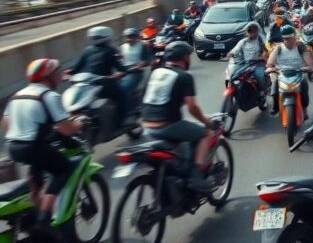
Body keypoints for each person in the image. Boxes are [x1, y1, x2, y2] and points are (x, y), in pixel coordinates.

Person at [3, 59, 85, 240]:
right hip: (33, 147)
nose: (60, 75)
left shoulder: (17, 95)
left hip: (12, 146)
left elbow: (7, 125)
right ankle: (43, 219)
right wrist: (79, 123)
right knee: (63, 169)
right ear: (49, 76)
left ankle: (35, 209)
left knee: (36, 172)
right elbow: (67, 128)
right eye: (57, 71)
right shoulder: (49, 96)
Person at [141, 41, 215, 193]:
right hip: (167, 126)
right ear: (184, 58)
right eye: (188, 56)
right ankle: (195, 175)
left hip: (147, 126)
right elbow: (192, 107)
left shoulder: (156, 72)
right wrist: (206, 121)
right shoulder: (184, 76)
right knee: (205, 134)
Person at [70, 26, 129, 119]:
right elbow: (122, 68)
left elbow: (76, 68)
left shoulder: (87, 50)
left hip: (88, 84)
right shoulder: (112, 50)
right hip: (104, 83)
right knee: (123, 95)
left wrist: (68, 73)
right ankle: (124, 119)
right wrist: (121, 73)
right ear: (108, 37)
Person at [265, 25, 313, 117]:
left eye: (289, 38)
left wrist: (308, 67)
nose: (287, 41)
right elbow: (270, 62)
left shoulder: (301, 46)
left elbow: (308, 62)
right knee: (274, 85)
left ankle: (304, 108)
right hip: (283, 73)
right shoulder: (278, 48)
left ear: (294, 37)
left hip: (299, 72)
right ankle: (275, 107)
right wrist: (271, 68)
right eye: (285, 38)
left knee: (304, 86)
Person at [227, 22, 269, 93]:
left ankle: (263, 92)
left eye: (252, 31)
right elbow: (234, 50)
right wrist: (230, 54)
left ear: (256, 31)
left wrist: (263, 56)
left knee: (260, 76)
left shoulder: (261, 41)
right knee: (233, 76)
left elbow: (267, 51)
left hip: (257, 64)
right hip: (244, 64)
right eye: (249, 31)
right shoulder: (243, 41)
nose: (250, 33)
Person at [119, 28, 152, 106]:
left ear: (137, 37)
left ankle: (133, 107)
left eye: (132, 37)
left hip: (138, 71)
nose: (129, 39)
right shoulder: (122, 47)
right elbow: (119, 59)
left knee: (126, 87)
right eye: (127, 37)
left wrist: (140, 65)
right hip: (125, 70)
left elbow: (146, 60)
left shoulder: (143, 46)